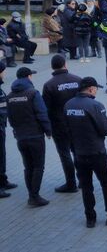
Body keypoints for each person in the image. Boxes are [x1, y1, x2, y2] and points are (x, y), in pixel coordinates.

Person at [64, 77, 107, 227]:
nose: (96, 91)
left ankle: (90, 218)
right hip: (96, 151)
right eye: (96, 89)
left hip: (79, 152)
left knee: (86, 186)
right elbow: (105, 130)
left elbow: (66, 129)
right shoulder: (95, 105)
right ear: (91, 89)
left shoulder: (68, 105)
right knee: (106, 183)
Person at [7, 67, 52, 207]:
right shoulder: (33, 93)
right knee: (38, 166)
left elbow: (11, 117)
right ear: (28, 77)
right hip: (35, 135)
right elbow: (42, 113)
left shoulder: (10, 96)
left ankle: (31, 195)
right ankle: (34, 196)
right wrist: (48, 130)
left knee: (28, 167)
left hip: (20, 137)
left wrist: (16, 131)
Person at [42, 54, 81, 193]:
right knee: (78, 152)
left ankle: (71, 183)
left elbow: (45, 108)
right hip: (77, 122)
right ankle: (83, 179)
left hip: (59, 125)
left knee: (65, 154)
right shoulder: (77, 80)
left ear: (52, 66)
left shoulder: (49, 85)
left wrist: (47, 128)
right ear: (65, 64)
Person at [0, 63, 16, 198]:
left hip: (1, 127)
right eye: (2, 71)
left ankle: (3, 180)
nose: (4, 74)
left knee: (2, 154)